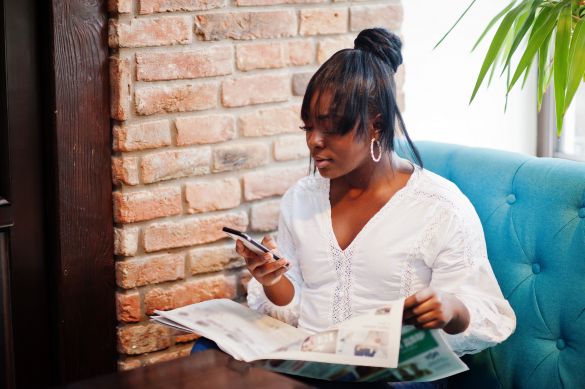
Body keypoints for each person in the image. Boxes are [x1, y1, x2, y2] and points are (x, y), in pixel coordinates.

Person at [237, 27, 516, 387]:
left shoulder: (440, 207)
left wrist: (452, 309)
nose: (314, 142)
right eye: (308, 127)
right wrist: (273, 280)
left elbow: (489, 314)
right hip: (308, 365)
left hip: (395, 379)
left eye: (330, 128)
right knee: (205, 358)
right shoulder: (301, 199)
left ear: (376, 126)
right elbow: (295, 307)